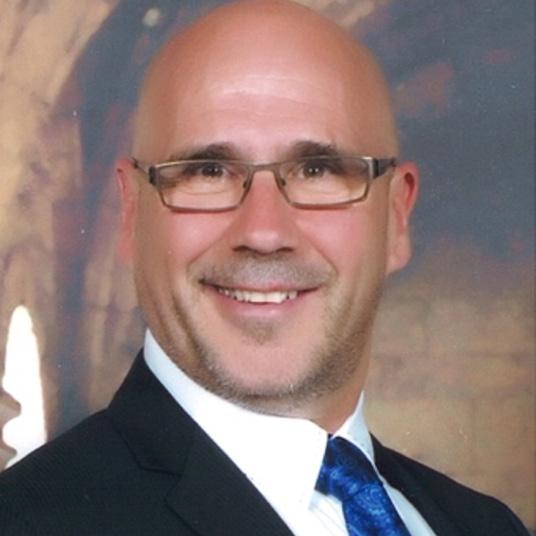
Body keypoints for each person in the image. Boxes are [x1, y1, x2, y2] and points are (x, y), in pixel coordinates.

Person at [0, 1, 529, 535]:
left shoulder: (487, 526)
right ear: (131, 213)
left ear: (396, 218)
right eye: (208, 170)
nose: (263, 232)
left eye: (317, 170)